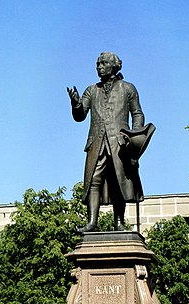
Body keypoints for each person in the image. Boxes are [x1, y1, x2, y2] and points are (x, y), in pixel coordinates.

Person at [68, 51, 155, 233]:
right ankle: (91, 223)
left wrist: (134, 135)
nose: (99, 67)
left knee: (118, 180)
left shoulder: (128, 88)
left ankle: (119, 222)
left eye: (103, 63)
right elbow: (80, 115)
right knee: (93, 180)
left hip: (119, 142)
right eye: (97, 64)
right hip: (97, 143)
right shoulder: (92, 90)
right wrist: (76, 103)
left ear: (114, 66)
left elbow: (137, 113)